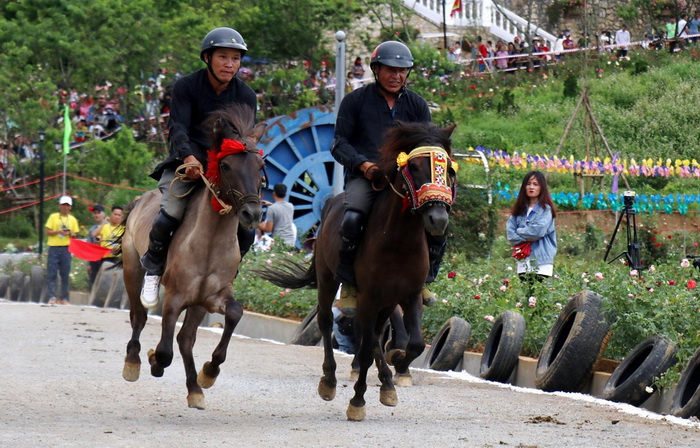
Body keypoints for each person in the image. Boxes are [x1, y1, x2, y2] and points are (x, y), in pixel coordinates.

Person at [139, 27, 257, 308]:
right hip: (188, 164)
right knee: (170, 213)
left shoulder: (246, 95)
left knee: (248, 228)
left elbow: (243, 137)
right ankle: (153, 271)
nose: (230, 64)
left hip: (226, 170)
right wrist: (188, 158)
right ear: (208, 57)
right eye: (223, 57)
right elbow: (177, 126)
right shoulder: (186, 86)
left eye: (236, 59)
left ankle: (228, 276)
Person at [330, 40, 445, 312]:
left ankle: (425, 279)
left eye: (402, 71)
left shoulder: (417, 105)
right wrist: (363, 165)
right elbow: (338, 143)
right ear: (376, 70)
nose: (397, 76)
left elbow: (428, 146)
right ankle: (348, 285)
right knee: (352, 217)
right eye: (390, 70)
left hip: (406, 179)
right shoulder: (355, 101)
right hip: (366, 176)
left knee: (438, 217)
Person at [506, 171, 557, 282]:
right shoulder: (519, 209)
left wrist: (518, 231)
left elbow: (538, 231)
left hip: (541, 262)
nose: (531, 187)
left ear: (541, 187)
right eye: (528, 184)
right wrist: (528, 235)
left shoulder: (546, 210)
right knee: (525, 296)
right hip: (523, 260)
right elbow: (510, 234)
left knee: (538, 296)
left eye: (535, 184)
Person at [45, 196, 80, 305]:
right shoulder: (53, 217)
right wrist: (58, 232)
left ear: (70, 207)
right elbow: (47, 231)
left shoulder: (73, 220)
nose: (65, 207)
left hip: (66, 248)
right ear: (60, 206)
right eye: (63, 205)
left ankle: (63, 298)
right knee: (52, 273)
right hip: (54, 247)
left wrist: (70, 233)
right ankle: (51, 296)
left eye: (67, 205)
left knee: (65, 274)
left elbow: (75, 235)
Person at [92, 205, 125, 272]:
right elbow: (94, 234)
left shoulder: (123, 229)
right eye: (115, 214)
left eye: (119, 215)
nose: (117, 217)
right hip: (105, 258)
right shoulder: (105, 227)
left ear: (122, 217)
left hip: (117, 258)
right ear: (111, 215)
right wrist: (104, 223)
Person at [86, 204, 106, 287]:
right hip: (94, 259)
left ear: (103, 214)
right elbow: (88, 246)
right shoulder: (92, 229)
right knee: (94, 282)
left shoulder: (109, 226)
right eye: (95, 213)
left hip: (106, 258)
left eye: (98, 213)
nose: (96, 215)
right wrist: (88, 263)